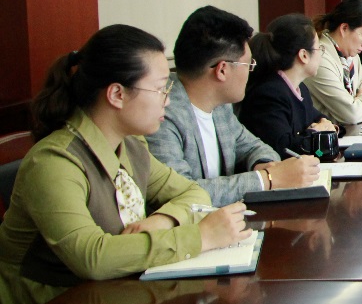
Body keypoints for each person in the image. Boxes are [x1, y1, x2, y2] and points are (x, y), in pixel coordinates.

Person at [0, 25, 250, 288]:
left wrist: (163, 220)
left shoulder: (130, 145)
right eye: (160, 89)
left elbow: (193, 192)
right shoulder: (54, 163)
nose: (167, 100)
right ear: (117, 94)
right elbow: (92, 257)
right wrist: (200, 237)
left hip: (109, 293)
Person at [147, 7, 321, 205]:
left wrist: (264, 164)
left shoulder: (220, 107)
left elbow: (254, 146)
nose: (251, 72)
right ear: (222, 70)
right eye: (249, 65)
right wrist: (266, 179)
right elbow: (182, 194)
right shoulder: (162, 114)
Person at [239, 13, 339, 155]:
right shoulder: (269, 94)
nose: (321, 55)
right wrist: (317, 131)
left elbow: (320, 119)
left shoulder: (300, 88)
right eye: (319, 49)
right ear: (303, 55)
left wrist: (325, 127)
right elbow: (284, 148)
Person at [305, 0, 362, 125]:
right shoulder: (320, 58)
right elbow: (351, 115)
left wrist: (358, 103)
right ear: (344, 28)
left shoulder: (352, 57)